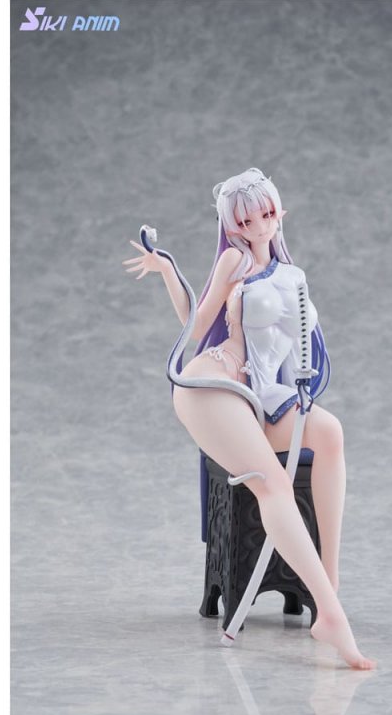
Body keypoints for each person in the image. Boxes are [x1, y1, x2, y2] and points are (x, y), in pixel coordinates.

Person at [123, 168, 375, 670]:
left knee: (330, 433)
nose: (259, 225)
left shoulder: (292, 275)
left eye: (266, 213)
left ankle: (329, 582)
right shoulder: (235, 260)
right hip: (214, 381)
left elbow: (297, 347)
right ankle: (331, 615)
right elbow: (196, 324)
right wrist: (169, 270)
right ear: (232, 226)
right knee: (273, 484)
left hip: (259, 393)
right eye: (245, 219)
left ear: (279, 212)